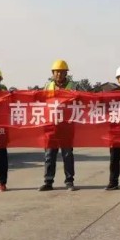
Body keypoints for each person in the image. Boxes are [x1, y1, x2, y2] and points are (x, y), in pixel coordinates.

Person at [40, 59, 78, 192]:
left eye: (62, 72)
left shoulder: (73, 86)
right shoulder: (47, 86)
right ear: (53, 73)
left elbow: (83, 100)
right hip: (51, 126)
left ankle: (69, 181)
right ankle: (48, 181)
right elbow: (40, 101)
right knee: (49, 155)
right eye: (57, 72)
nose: (59, 74)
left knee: (67, 154)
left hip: (66, 126)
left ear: (66, 73)